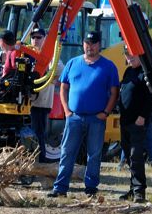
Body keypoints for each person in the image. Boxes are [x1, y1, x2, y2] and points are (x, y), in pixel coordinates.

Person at [47, 30, 119, 198]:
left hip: (97, 118)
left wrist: (106, 112)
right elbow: (63, 88)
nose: (90, 47)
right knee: (67, 152)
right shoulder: (72, 63)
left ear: (99, 45)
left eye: (93, 44)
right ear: (83, 44)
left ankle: (91, 188)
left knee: (94, 154)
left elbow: (114, 92)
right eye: (87, 43)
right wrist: (66, 110)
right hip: (74, 117)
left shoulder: (108, 66)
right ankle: (60, 187)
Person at [117, 48, 152, 203]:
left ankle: (139, 191)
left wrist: (143, 116)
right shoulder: (128, 71)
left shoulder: (146, 73)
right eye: (127, 54)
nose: (129, 57)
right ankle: (133, 189)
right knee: (129, 157)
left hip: (137, 122)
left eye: (132, 54)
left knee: (136, 156)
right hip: (125, 121)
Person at [28, 26, 63, 162]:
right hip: (25, 102)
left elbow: (60, 70)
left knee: (38, 133)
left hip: (40, 102)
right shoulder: (27, 54)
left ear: (45, 39)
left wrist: (50, 76)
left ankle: (40, 161)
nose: (35, 40)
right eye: (33, 37)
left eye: (39, 37)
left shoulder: (50, 56)